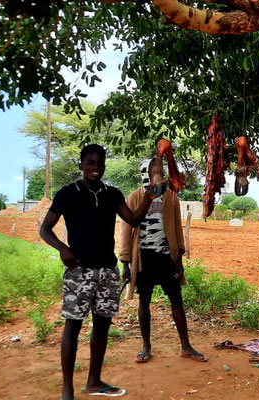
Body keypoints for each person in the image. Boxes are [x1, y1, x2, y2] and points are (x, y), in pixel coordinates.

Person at [40, 144, 157, 400]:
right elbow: (45, 229)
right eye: (91, 162)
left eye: (100, 163)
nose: (96, 167)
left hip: (107, 270)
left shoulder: (112, 194)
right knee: (73, 326)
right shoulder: (67, 194)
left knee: (102, 327)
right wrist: (63, 249)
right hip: (78, 271)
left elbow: (133, 219)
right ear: (81, 165)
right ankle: (67, 390)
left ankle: (94, 381)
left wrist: (148, 198)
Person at [119, 156, 207, 364]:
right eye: (153, 170)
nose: (158, 173)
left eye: (160, 169)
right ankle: (146, 346)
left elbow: (176, 227)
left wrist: (179, 256)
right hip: (143, 258)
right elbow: (125, 230)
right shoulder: (134, 198)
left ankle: (186, 346)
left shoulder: (171, 198)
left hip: (167, 256)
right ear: (144, 174)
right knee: (144, 301)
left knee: (176, 298)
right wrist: (125, 263)